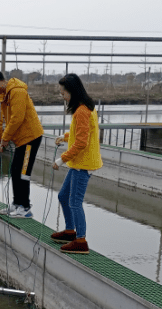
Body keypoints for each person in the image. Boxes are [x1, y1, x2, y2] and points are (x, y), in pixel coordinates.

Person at [50, 74, 103, 254]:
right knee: (64, 196)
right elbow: (81, 134)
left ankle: (81, 240)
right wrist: (65, 137)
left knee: (74, 202)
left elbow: (81, 143)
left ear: (72, 91)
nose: (62, 96)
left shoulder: (82, 111)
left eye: (63, 93)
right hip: (79, 163)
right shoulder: (86, 107)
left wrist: (61, 159)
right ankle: (70, 231)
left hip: (83, 164)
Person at [0, 69, 44, 218]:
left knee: (23, 173)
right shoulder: (6, 94)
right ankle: (17, 203)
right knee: (15, 170)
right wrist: (3, 139)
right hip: (21, 139)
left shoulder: (17, 92)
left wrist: (5, 139)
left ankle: (25, 207)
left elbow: (17, 118)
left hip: (30, 138)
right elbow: (5, 120)